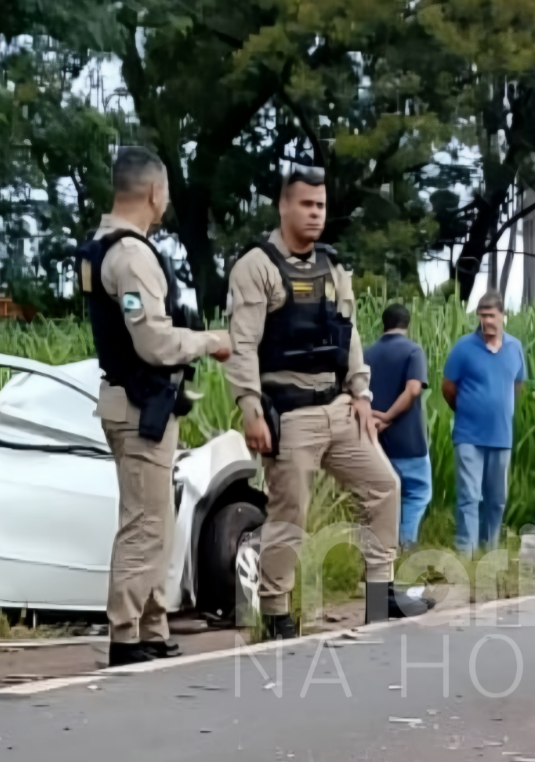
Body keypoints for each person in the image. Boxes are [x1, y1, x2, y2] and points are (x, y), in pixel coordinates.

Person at [225, 166, 430, 636]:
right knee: (289, 515)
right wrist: (251, 410)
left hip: (339, 407)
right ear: (284, 206)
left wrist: (361, 392)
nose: (315, 213)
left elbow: (348, 332)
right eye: (306, 204)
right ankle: (275, 612)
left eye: (320, 205)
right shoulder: (256, 267)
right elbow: (242, 346)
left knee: (385, 486)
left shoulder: (333, 266)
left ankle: (380, 594)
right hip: (290, 411)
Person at [80, 147, 231, 667]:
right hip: (139, 403)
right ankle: (126, 634)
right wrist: (209, 341)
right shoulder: (131, 255)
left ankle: (151, 626)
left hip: (133, 401)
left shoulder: (102, 248)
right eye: (165, 190)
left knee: (157, 519)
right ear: (152, 191)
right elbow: (155, 343)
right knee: (145, 523)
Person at [441, 291, 528, 554]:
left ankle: (489, 550)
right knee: (469, 496)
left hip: (501, 435)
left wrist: (500, 408)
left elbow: (518, 384)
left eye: (491, 315)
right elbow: (448, 387)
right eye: (482, 315)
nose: (486, 321)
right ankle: (466, 553)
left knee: (497, 499)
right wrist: (467, 410)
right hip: (468, 435)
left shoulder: (515, 347)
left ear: (503, 315)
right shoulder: (464, 347)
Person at [365, 304, 432, 546]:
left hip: (373, 441)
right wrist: (388, 417)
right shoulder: (414, 351)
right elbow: (413, 390)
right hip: (409, 442)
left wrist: (376, 418)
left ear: (383, 323)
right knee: (416, 493)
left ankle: (379, 551)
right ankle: (404, 548)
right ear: (407, 324)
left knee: (380, 498)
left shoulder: (365, 354)